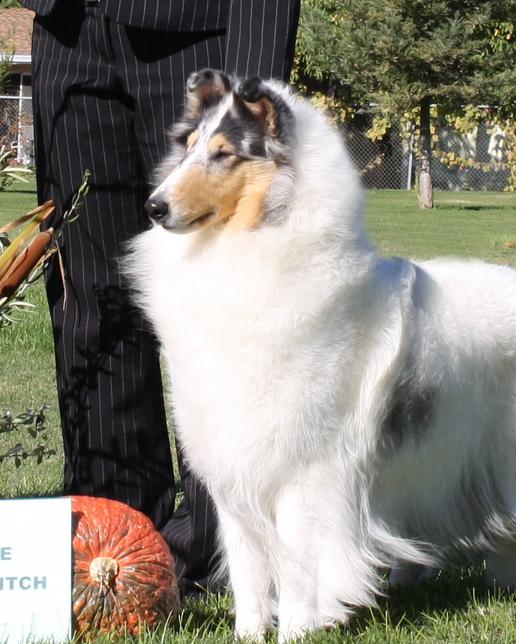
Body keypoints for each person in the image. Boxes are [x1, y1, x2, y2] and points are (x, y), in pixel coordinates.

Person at [20, 0, 300, 594]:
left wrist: (252, 84)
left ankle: (219, 547)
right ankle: (113, 538)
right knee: (88, 294)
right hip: (67, 34)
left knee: (218, 296)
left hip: (200, 36)